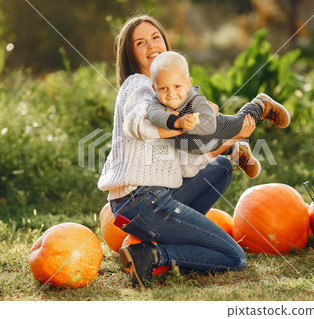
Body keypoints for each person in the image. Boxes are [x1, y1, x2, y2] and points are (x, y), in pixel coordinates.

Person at [97, 15, 288, 288]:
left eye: (155, 38)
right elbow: (138, 122)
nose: (151, 46)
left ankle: (189, 251)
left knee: (221, 167)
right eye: (141, 43)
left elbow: (186, 163)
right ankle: (151, 255)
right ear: (130, 54)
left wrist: (228, 138)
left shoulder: (168, 94)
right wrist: (176, 124)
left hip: (152, 197)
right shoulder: (139, 86)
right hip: (141, 201)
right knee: (233, 257)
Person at [147, 51, 290, 179]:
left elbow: (209, 127)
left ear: (188, 83)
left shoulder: (196, 100)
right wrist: (177, 121)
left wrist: (185, 124)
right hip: (196, 146)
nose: (171, 94)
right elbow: (154, 116)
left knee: (242, 124)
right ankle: (236, 150)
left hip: (217, 127)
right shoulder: (156, 104)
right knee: (207, 144)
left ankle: (260, 106)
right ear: (154, 88)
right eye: (163, 88)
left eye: (177, 86)